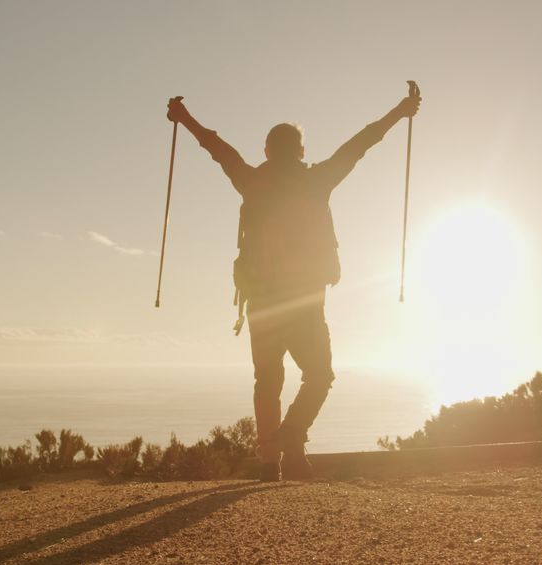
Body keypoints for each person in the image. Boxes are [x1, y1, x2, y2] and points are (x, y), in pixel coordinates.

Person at [166, 89, 421, 481]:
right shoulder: (318, 179)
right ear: (301, 151)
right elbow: (361, 143)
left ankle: (274, 460)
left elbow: (216, 147)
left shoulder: (251, 181)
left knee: (267, 380)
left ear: (267, 151)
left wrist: (184, 118)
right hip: (305, 301)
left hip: (263, 301)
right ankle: (291, 438)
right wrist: (400, 112)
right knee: (319, 375)